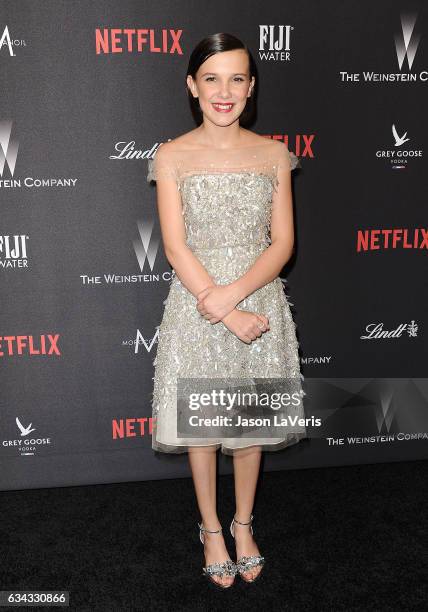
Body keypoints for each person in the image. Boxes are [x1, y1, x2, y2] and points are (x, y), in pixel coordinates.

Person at [146, 32, 306, 589]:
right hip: (197, 302)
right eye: (211, 78)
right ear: (192, 86)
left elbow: (282, 244)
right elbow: (174, 246)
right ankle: (211, 528)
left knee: (249, 427)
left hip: (257, 301)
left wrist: (235, 298)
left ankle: (243, 524)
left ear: (251, 87)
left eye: (237, 78)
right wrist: (221, 305)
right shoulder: (171, 155)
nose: (224, 90)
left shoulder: (272, 154)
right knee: (204, 428)